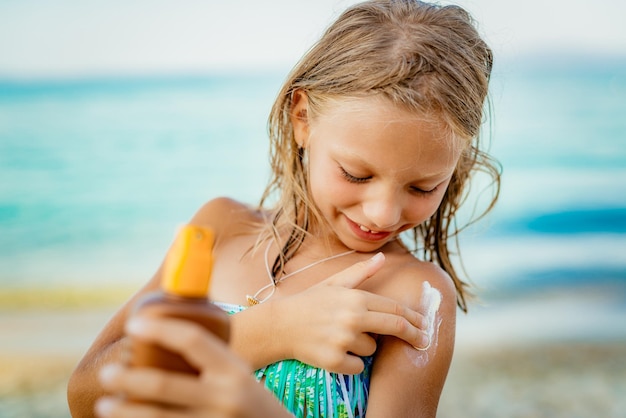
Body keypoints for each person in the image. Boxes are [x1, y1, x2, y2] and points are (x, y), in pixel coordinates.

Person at [67, 0, 500, 416]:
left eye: (423, 186)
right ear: (302, 119)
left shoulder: (414, 295)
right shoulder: (220, 229)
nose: (384, 214)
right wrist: (270, 331)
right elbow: (86, 396)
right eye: (356, 174)